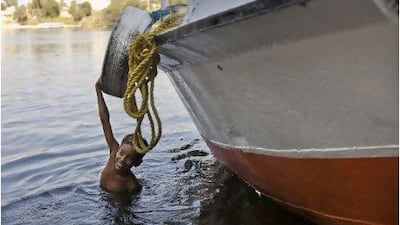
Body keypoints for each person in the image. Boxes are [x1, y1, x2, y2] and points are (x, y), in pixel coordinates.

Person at [95, 79, 144, 193]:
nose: (122, 159)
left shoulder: (132, 186)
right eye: (121, 153)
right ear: (118, 150)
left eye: (129, 158)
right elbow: (105, 120)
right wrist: (98, 90)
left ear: (136, 163)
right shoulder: (114, 152)